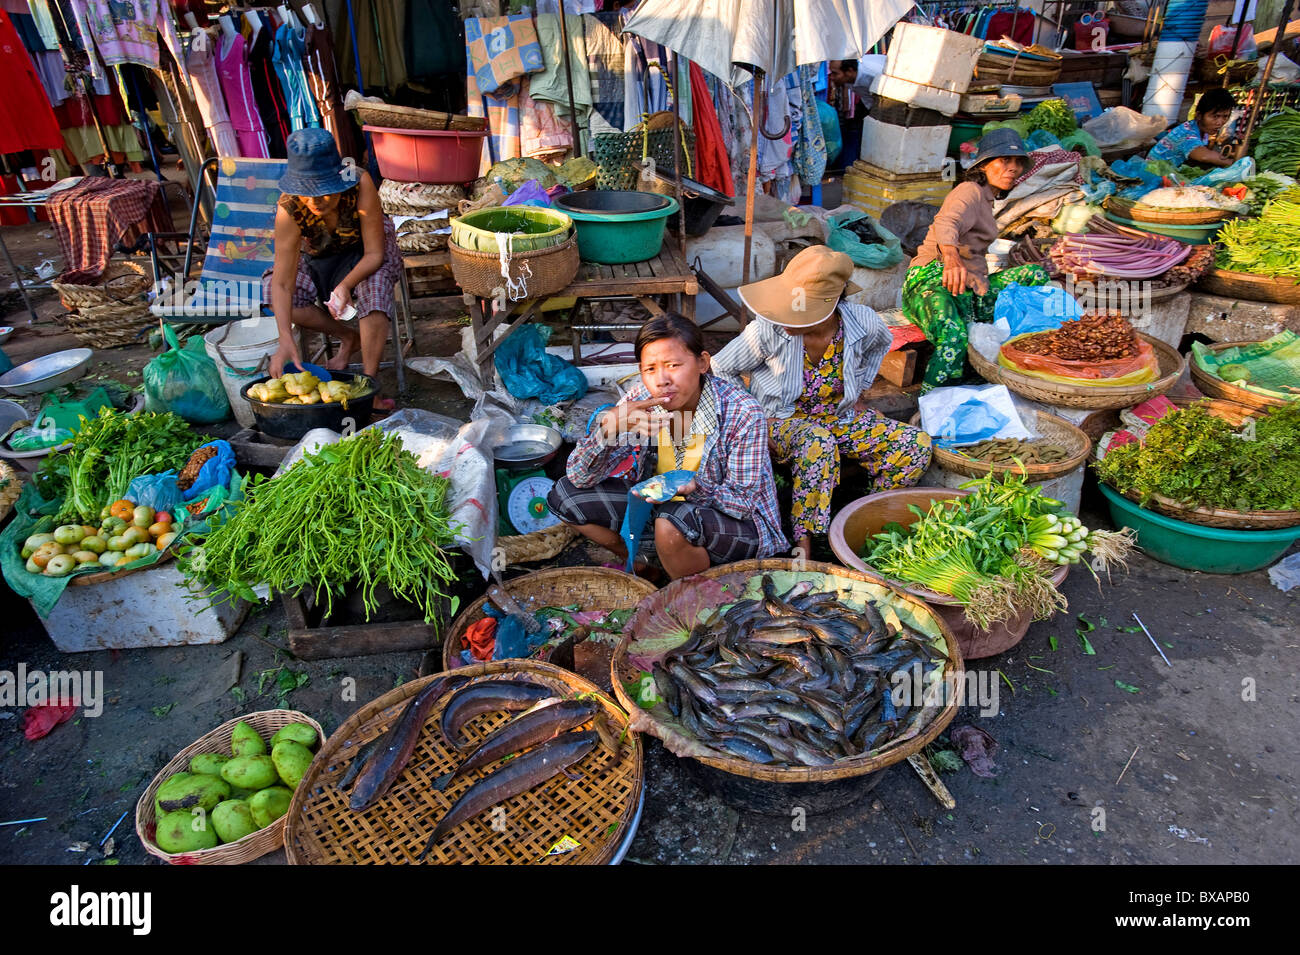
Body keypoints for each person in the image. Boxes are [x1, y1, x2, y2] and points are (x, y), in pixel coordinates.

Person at [712, 245, 932, 559]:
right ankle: (807, 544)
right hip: (780, 421)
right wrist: (754, 419)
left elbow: (879, 344)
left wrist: (859, 392)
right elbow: (721, 367)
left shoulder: (861, 322)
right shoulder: (768, 331)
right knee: (818, 443)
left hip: (837, 415)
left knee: (915, 445)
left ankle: (865, 521)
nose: (786, 316)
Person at [547, 313, 789, 580]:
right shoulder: (640, 402)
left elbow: (742, 504)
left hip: (738, 528)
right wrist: (608, 430)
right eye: (650, 369)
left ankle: (695, 594)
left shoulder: (742, 413)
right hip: (662, 510)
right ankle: (642, 565)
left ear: (702, 363)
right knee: (565, 496)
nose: (661, 380)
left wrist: (697, 487)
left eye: (673, 365)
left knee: (673, 521)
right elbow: (580, 477)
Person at [901, 128, 1049, 392]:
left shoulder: (987, 198)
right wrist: (951, 258)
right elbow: (947, 221)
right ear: (983, 164)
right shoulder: (968, 190)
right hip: (932, 281)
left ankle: (1017, 347)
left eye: (1017, 162)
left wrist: (975, 274)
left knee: (1035, 275)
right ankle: (929, 403)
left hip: (968, 287)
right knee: (954, 337)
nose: (1012, 168)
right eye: (1004, 161)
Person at [264, 127, 401, 409]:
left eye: (323, 192)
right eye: (306, 193)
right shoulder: (289, 208)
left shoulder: (359, 182)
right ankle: (347, 337)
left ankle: (367, 387)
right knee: (273, 294)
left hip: (363, 251)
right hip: (318, 254)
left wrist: (345, 285)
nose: (315, 201)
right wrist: (284, 339)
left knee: (374, 292)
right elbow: (282, 284)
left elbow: (375, 254)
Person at [1148, 87, 1238, 169]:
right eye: (1215, 116)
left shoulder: (1200, 130)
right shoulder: (1186, 133)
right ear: (1199, 115)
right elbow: (1204, 156)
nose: (1220, 122)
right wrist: (1234, 163)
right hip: (1152, 177)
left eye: (1225, 117)